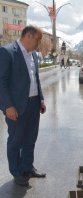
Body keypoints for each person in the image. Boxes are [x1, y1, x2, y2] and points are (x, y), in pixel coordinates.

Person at [0, 26, 47, 187]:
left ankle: (27, 167)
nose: (38, 43)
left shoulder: (33, 54)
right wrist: (8, 106)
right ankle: (16, 172)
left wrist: (40, 99)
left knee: (30, 139)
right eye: (37, 39)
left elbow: (35, 79)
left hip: (33, 104)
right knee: (15, 141)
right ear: (28, 36)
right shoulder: (7, 52)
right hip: (16, 106)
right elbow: (2, 82)